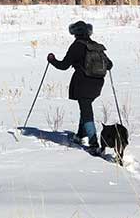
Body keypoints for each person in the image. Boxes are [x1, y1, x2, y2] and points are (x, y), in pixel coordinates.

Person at [47, 20, 112, 156]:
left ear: (75, 33)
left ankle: (93, 144)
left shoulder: (76, 46)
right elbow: (110, 64)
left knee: (87, 112)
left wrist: (52, 60)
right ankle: (79, 135)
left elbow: (64, 65)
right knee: (85, 107)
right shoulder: (95, 45)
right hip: (97, 84)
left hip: (83, 83)